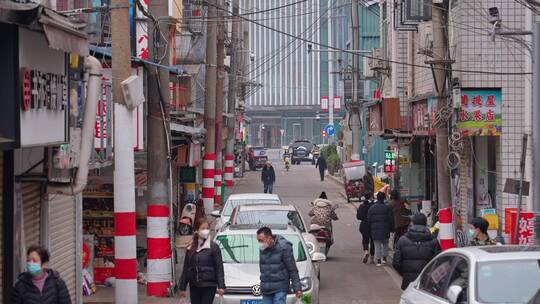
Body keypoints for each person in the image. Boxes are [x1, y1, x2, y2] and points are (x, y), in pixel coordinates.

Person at [179, 220, 225, 304]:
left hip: (209, 285)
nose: (206, 231)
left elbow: (219, 267)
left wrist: (221, 285)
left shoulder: (213, 247)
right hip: (194, 286)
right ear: (196, 230)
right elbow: (186, 268)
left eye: (207, 228)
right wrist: (182, 287)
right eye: (203, 228)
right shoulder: (190, 247)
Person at [393, 213, 441, 290]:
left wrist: (405, 274)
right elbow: (439, 262)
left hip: (408, 280)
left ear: (412, 223)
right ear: (425, 223)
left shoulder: (402, 240)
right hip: (427, 281)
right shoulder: (433, 241)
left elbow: (396, 262)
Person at [257, 227, 302, 304]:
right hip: (267, 288)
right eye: (258, 241)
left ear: (269, 238)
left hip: (280, 288)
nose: (260, 243)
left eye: (261, 240)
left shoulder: (284, 247)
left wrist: (297, 288)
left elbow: (292, 269)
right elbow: (263, 268)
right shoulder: (263, 249)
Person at [367, 191, 394, 266]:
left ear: (377, 198)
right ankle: (384, 258)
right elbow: (391, 219)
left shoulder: (372, 208)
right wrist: (392, 228)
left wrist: (370, 229)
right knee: (385, 244)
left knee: (377, 245)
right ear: (384, 198)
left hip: (375, 229)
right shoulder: (387, 207)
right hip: (385, 229)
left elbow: (369, 219)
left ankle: (378, 260)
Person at [356, 193, 375, 264]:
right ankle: (372, 258)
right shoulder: (373, 206)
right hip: (372, 225)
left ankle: (366, 251)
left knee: (365, 239)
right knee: (373, 241)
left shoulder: (361, 206)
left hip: (364, 225)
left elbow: (358, 217)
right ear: (370, 197)